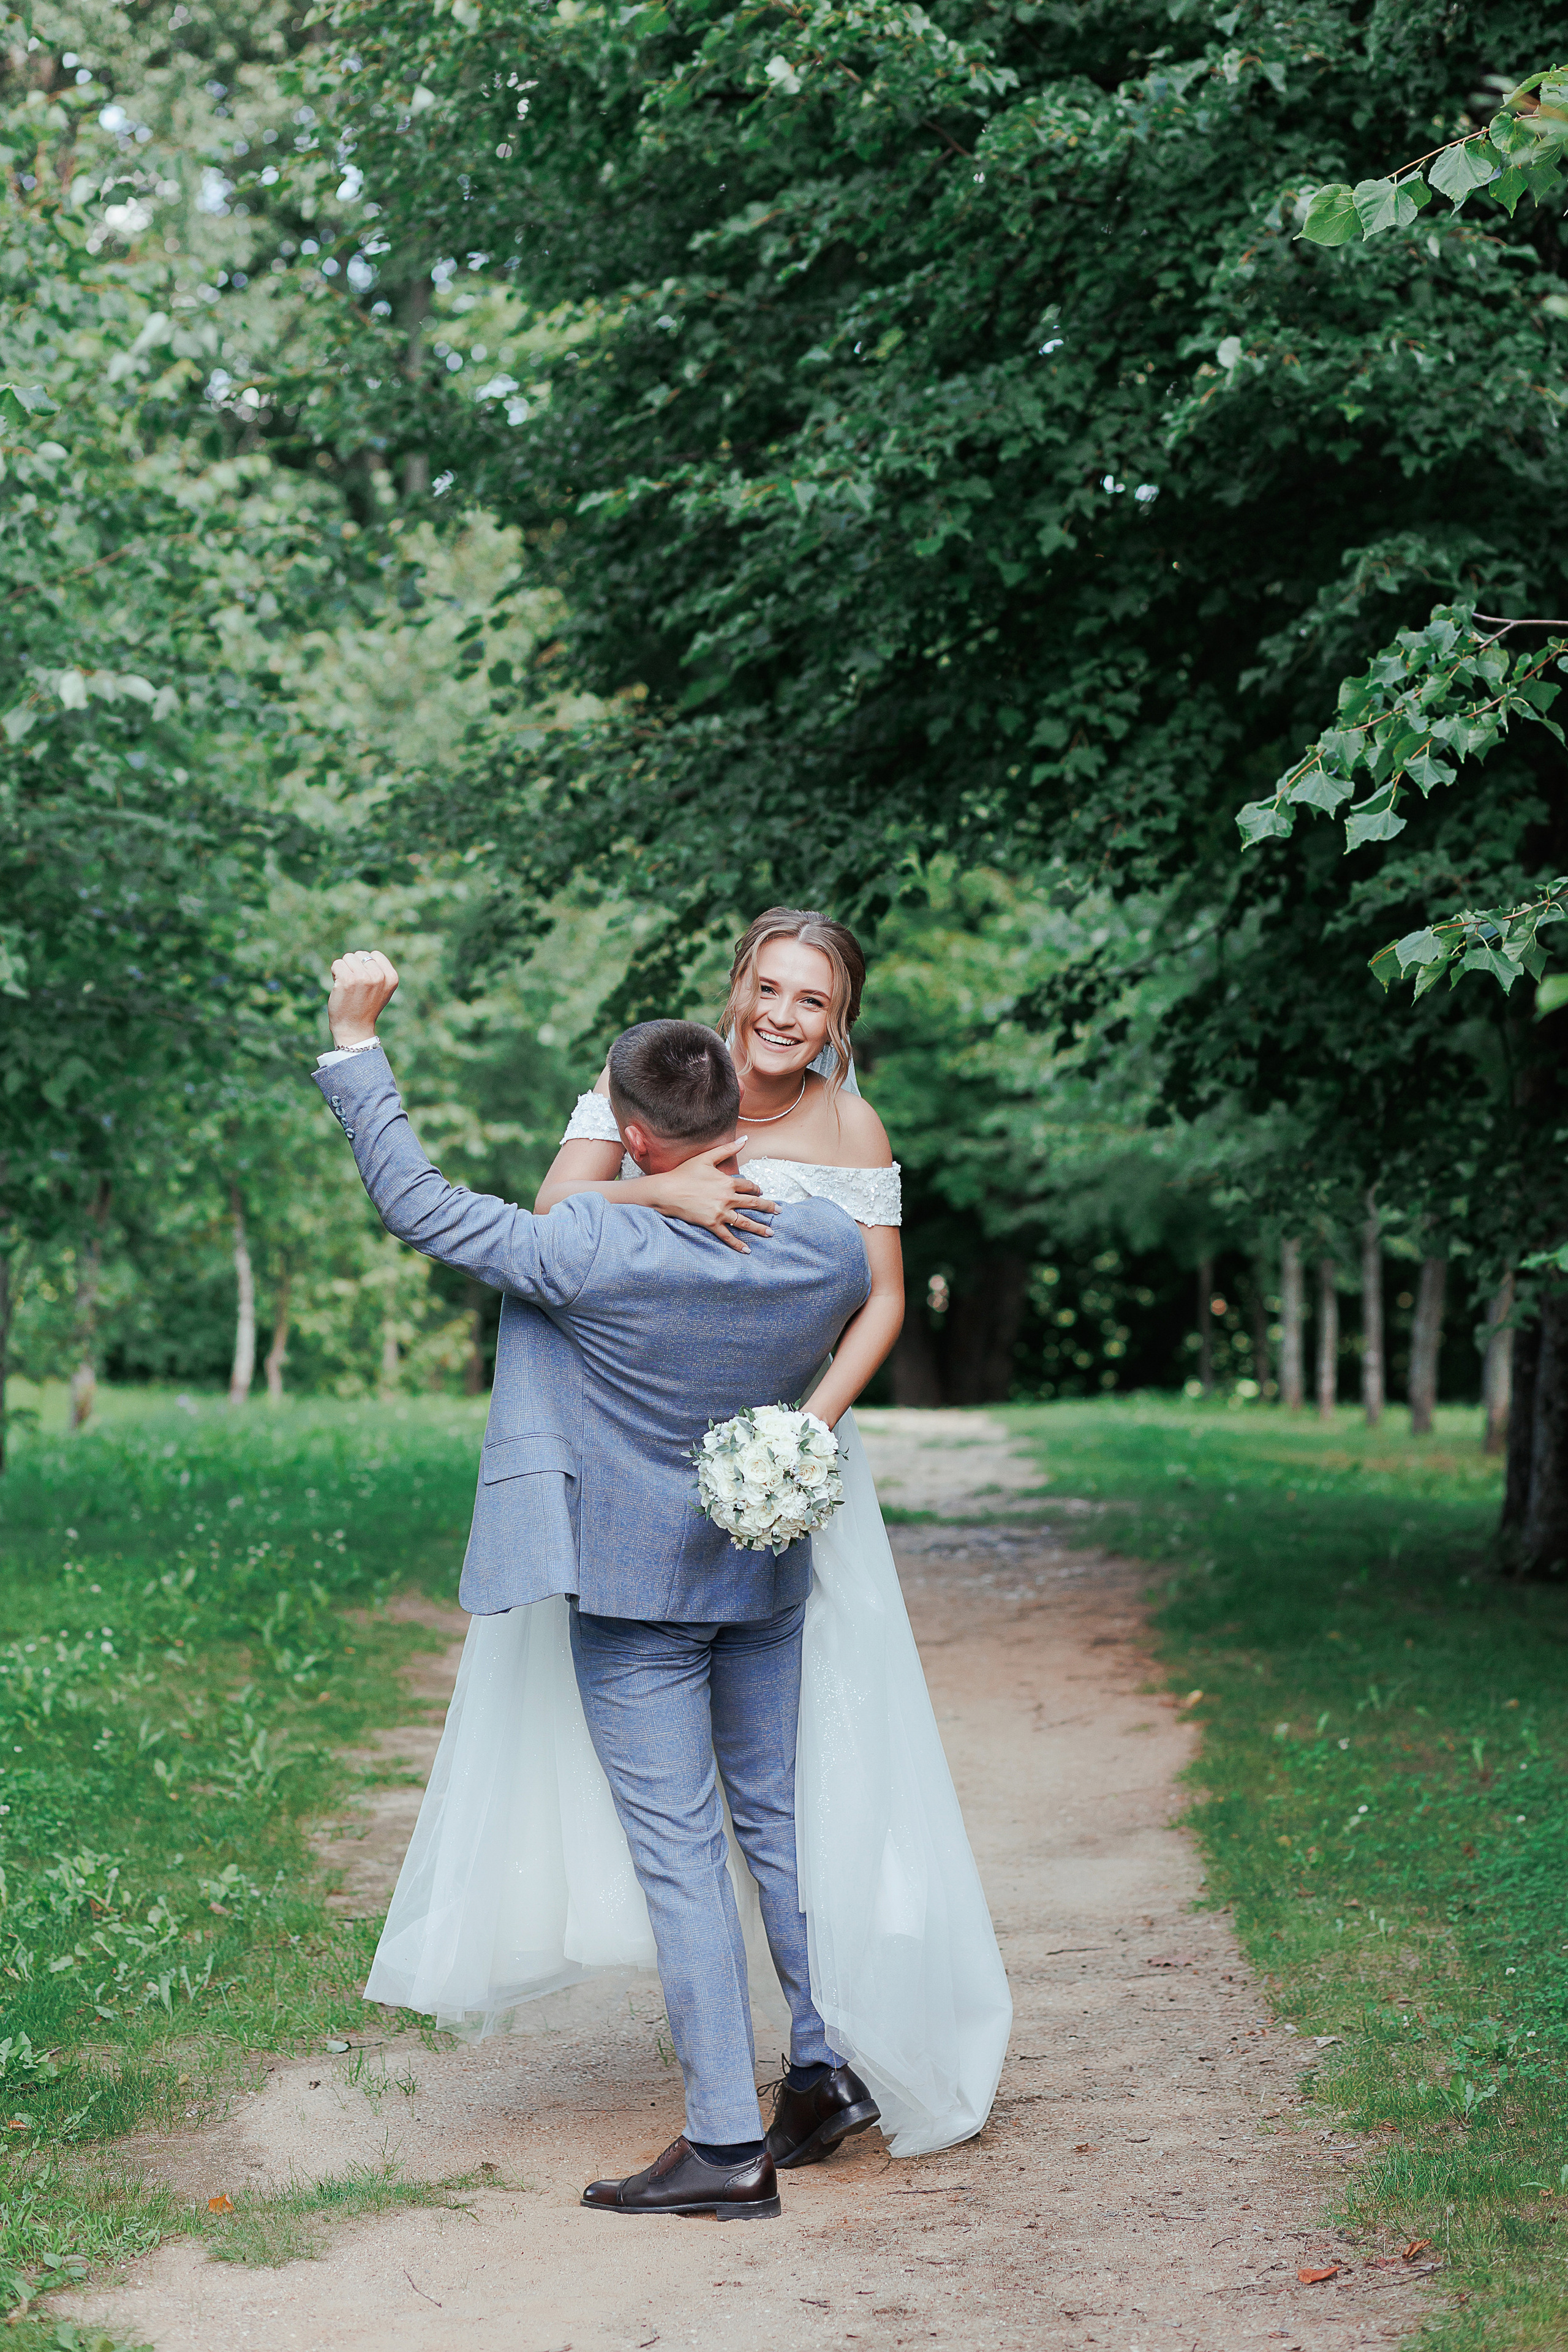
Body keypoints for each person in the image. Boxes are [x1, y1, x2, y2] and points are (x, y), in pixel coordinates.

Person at [320, 911, 1011, 2179]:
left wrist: (357, 1044)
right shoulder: (811, 1249)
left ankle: (722, 2141)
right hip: (756, 1563)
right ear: (736, 1000)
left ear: (634, 1129)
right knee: (775, 1815)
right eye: (767, 989)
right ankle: (819, 2058)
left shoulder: (588, 1240)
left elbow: (436, 1210)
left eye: (810, 998)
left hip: (645, 1557)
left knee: (685, 1849)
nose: (782, 1014)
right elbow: (866, 1288)